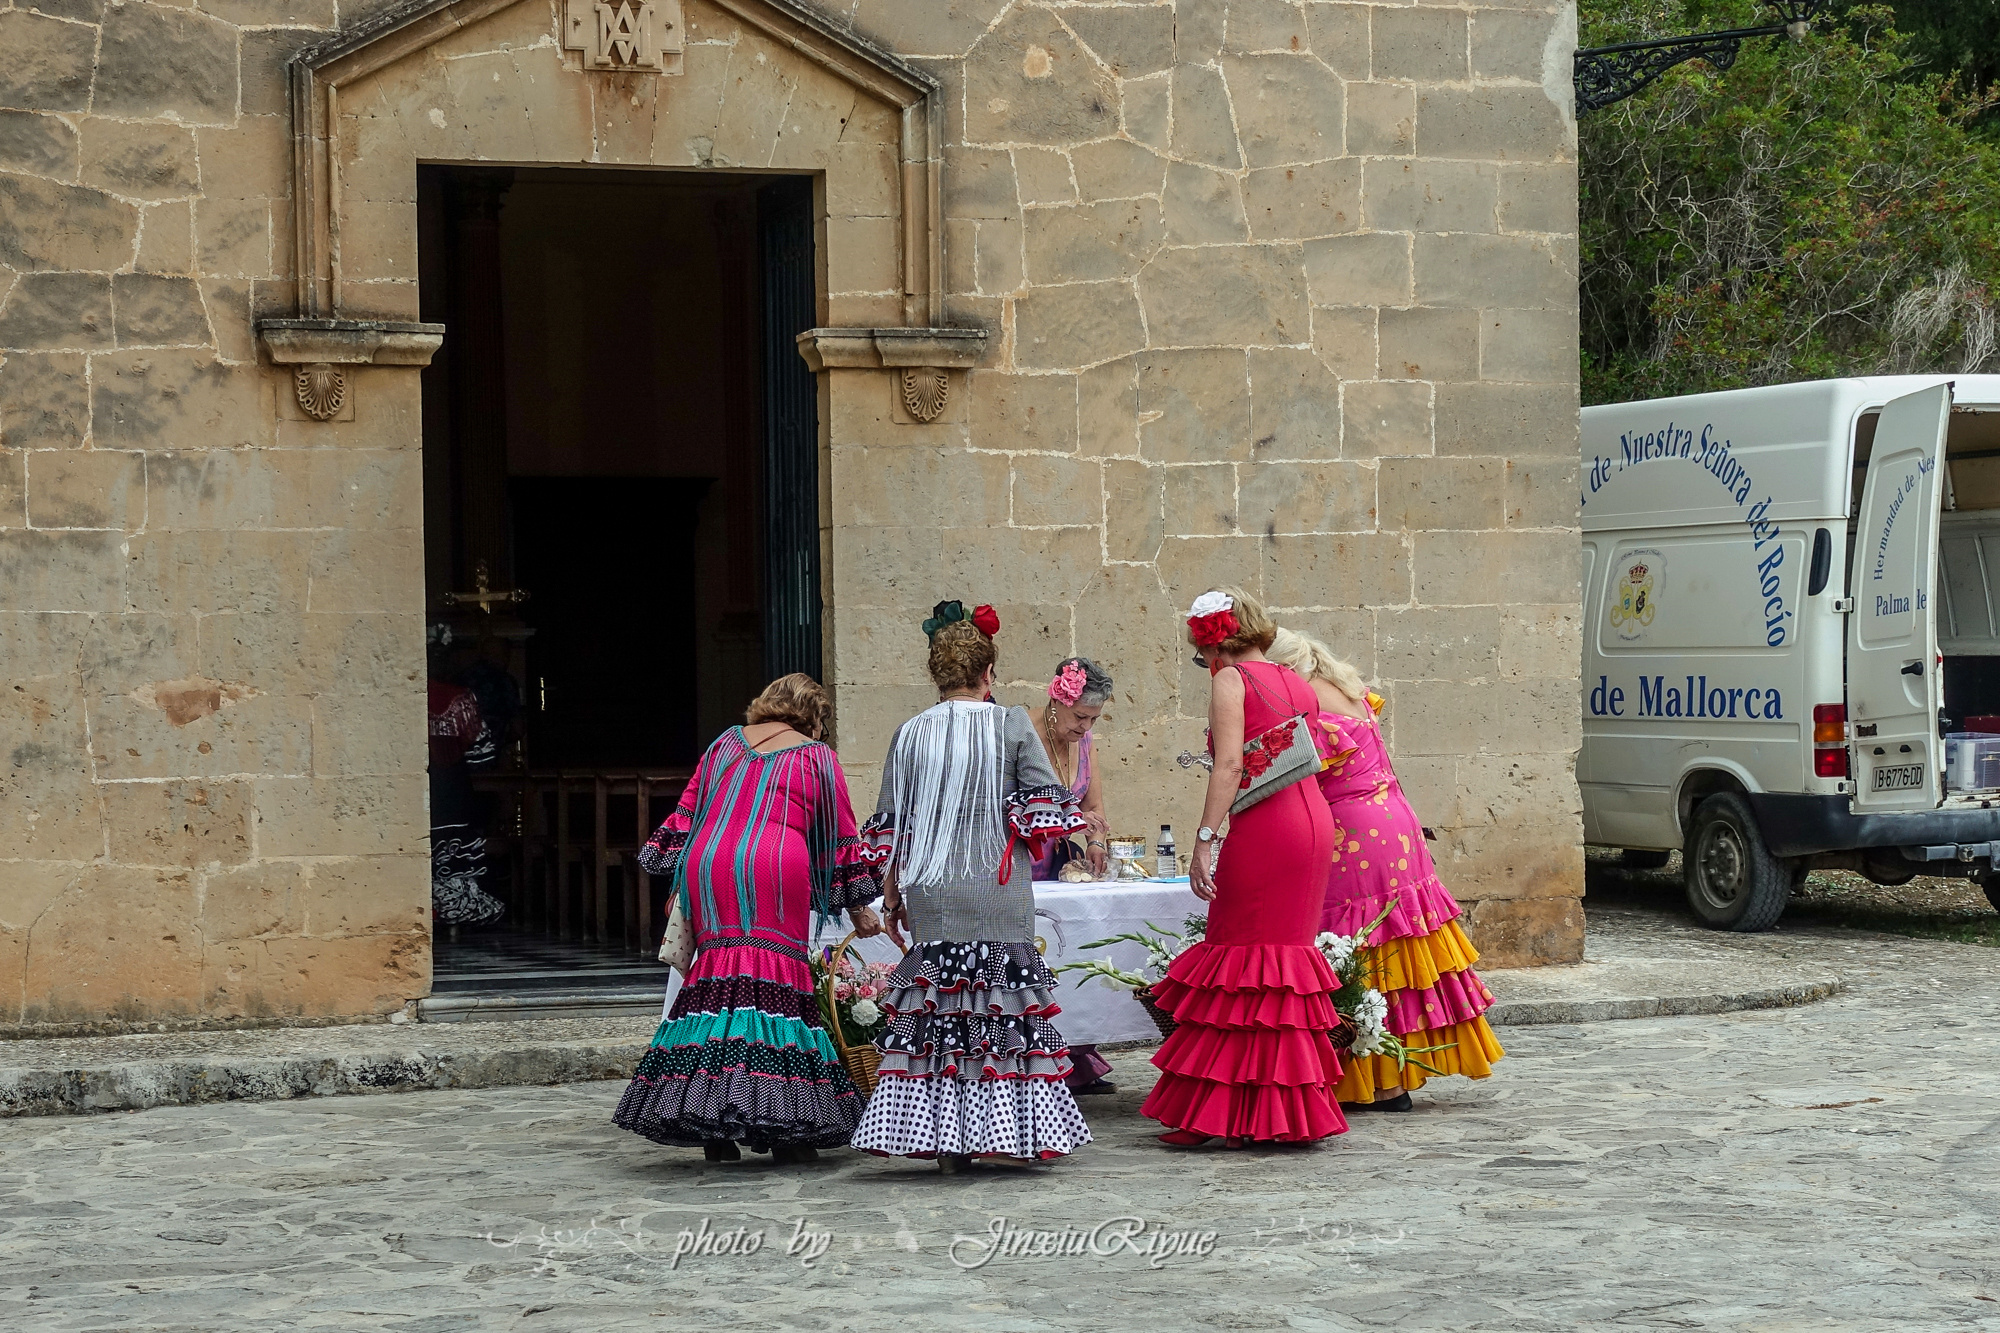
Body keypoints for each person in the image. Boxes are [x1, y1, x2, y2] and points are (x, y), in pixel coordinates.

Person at [850, 601, 1094, 1170]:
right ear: (989, 672)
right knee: (1001, 1008)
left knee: (941, 1011)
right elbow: (1045, 805)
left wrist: (892, 894)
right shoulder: (1010, 723)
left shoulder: (908, 734)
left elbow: (893, 820)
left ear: (937, 674)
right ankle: (1006, 1130)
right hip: (996, 883)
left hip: (931, 886)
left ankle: (944, 1142)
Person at [613, 674, 885, 1164]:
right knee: (773, 982)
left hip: (710, 863)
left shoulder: (724, 744)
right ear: (813, 716)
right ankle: (787, 1127)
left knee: (719, 984)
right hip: (773, 865)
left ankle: (711, 1123)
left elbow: (687, 815)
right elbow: (840, 834)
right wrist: (859, 907)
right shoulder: (816, 755)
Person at [1140, 587, 1347, 1148]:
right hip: (1312, 824)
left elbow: (1229, 766)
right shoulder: (1296, 682)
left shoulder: (1232, 682)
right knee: (1282, 968)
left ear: (1214, 645)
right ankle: (1277, 1115)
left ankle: (1219, 1112)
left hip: (1267, 829)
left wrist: (1204, 839)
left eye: (1199, 652)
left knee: (1236, 954)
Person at [1267, 628, 1505, 1112]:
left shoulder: (1305, 700)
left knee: (1357, 946)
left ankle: (1376, 1081)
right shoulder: (1347, 690)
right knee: (1397, 946)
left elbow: (1290, 776)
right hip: (1396, 824)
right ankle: (1396, 1073)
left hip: (1351, 833)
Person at [1028, 656, 1117, 1095]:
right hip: (1020, 858)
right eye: (1081, 716)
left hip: (1062, 863)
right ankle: (1032, 1057)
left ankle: (1075, 1058)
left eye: (1094, 718)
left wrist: (1096, 842)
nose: (1086, 727)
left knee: (1068, 956)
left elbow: (1093, 808)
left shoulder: (1084, 741)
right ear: (1057, 700)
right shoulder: (1021, 731)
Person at [428, 624, 504, 928]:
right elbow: (482, 754)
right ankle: (452, 912)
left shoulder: (400, 696)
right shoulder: (460, 698)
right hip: (452, 789)